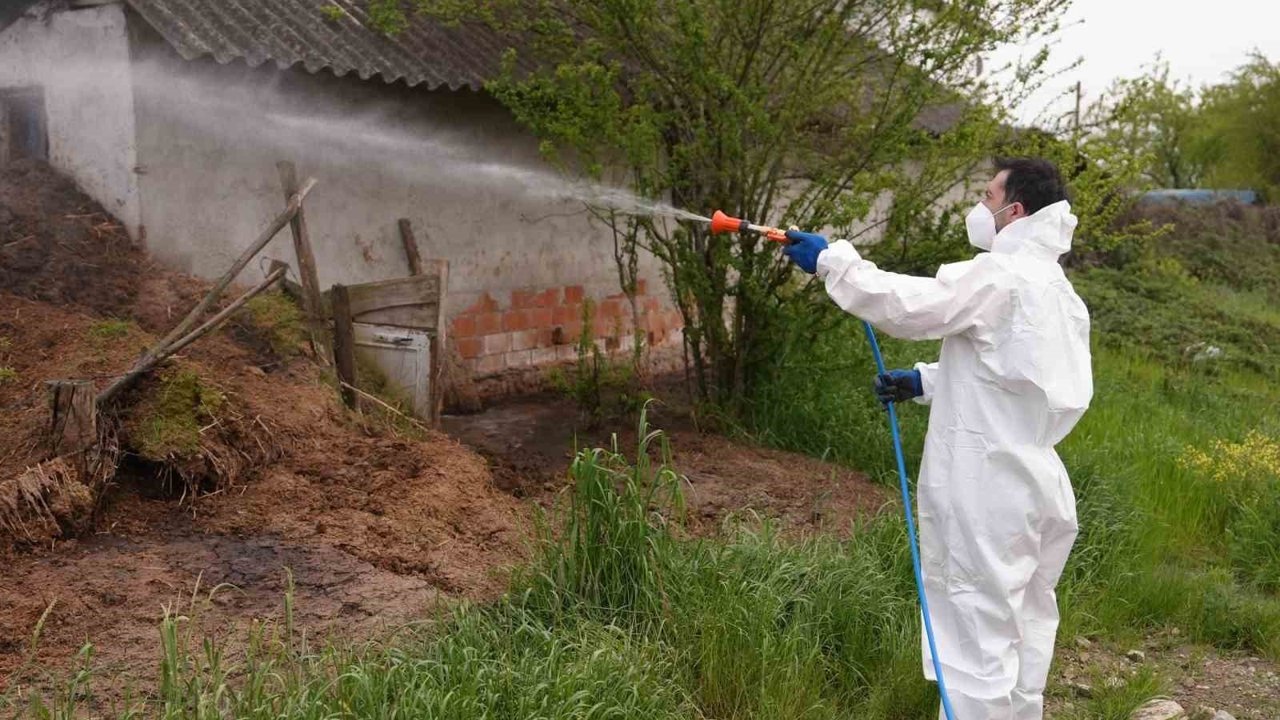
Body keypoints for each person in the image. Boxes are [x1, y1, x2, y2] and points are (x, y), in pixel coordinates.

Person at [784, 157, 1093, 720]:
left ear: (1014, 211)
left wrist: (834, 262)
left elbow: (910, 306)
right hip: (1037, 485)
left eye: (987, 196)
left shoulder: (1001, 275)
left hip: (986, 488)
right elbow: (1017, 373)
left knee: (975, 636)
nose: (979, 205)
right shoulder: (1056, 289)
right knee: (1025, 625)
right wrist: (925, 381)